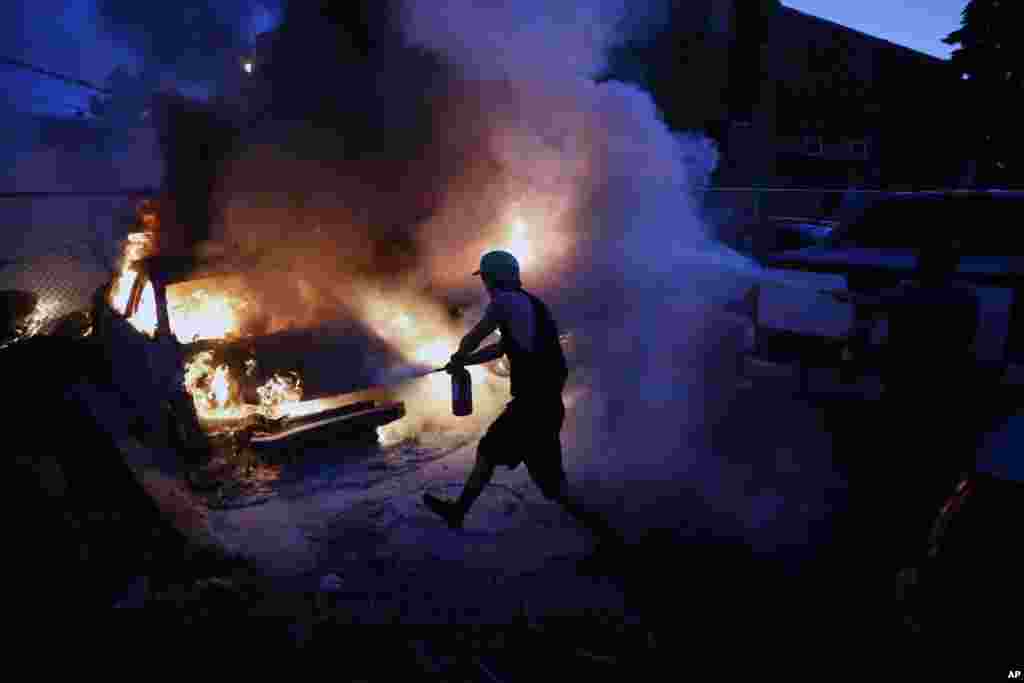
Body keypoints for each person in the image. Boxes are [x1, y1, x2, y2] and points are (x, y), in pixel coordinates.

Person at [423, 251, 625, 570]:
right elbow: (501, 348)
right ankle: (607, 534)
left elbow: (476, 336)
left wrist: (460, 353)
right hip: (542, 404)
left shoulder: (504, 301)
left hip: (533, 405)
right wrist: (465, 362)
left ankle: (611, 537)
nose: (486, 285)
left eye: (487, 278)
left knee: (497, 452)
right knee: (546, 483)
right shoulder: (528, 305)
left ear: (495, 277)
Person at [827, 241, 981, 572]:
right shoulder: (966, 297)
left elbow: (875, 303)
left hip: (907, 379)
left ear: (926, 264)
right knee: (926, 437)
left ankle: (890, 504)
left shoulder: (911, 293)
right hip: (943, 382)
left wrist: (841, 298)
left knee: (898, 435)